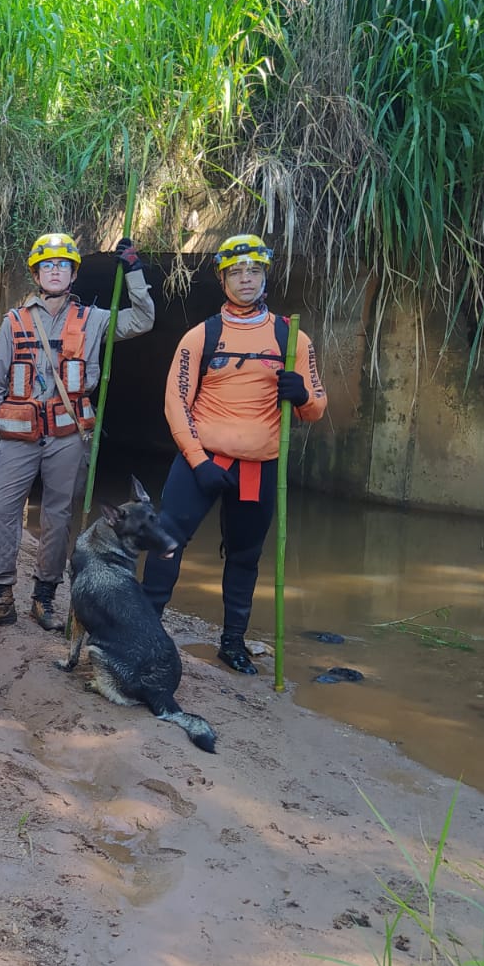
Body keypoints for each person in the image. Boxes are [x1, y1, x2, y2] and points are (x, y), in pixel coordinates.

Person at [139, 233, 327, 674]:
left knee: (245, 555)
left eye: (254, 271)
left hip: (259, 467)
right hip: (201, 459)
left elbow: (317, 407)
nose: (246, 279)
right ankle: (146, 628)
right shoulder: (201, 336)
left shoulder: (292, 337)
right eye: (237, 272)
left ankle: (232, 642)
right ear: (223, 280)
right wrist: (198, 460)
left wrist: (300, 396)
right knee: (167, 541)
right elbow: (176, 403)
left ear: (265, 276)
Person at [0, 233, 155, 636]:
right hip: (16, 434)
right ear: (35, 272)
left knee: (58, 517)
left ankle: (44, 597)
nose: (54, 271)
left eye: (62, 264)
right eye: (47, 265)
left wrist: (134, 272)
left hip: (69, 435)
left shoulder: (95, 319)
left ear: (73, 273)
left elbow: (142, 319)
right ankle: (0, 600)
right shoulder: (14, 321)